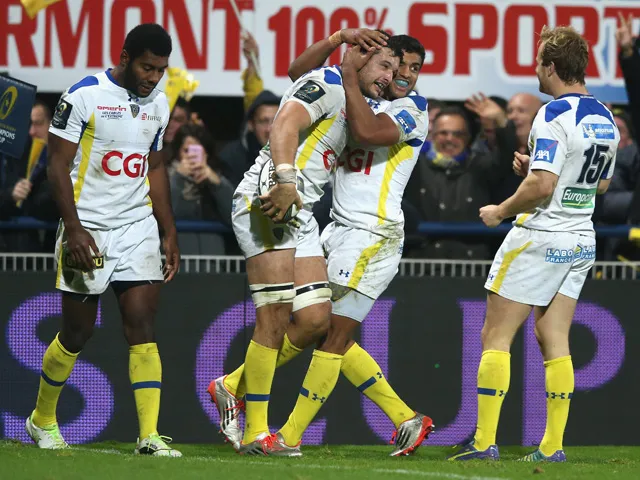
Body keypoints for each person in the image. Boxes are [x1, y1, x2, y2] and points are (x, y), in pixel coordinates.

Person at [212, 34, 401, 456]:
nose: (389, 78)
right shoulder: (330, 83)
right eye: (384, 66)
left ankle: (229, 387)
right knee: (274, 316)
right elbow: (284, 124)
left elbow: (296, 71)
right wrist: (284, 179)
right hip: (272, 197)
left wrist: (337, 41)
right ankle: (256, 433)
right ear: (359, 58)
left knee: (316, 320)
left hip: (302, 211)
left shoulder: (348, 92)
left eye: (394, 69)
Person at [449, 25, 619, 462]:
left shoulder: (552, 113)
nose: (536, 69)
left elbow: (542, 186)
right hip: (580, 238)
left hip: (541, 236)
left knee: (495, 334)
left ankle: (484, 441)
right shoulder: (604, 115)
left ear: (552, 66)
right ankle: (552, 447)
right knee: (553, 336)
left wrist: (501, 210)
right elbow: (599, 184)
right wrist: (539, 172)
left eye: (539, 61)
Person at [25, 23, 181, 457]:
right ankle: (42, 419)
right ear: (126, 57)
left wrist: (168, 230)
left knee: (142, 324)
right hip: (88, 227)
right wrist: (74, 229)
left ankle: (149, 436)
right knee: (77, 332)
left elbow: (155, 167)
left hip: (137, 226)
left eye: (161, 70)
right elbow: (57, 166)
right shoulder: (83, 95)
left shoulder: (159, 103)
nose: (154, 77)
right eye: (147, 67)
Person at [277, 36, 433, 457]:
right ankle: (405, 418)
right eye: (399, 66)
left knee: (329, 333)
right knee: (322, 328)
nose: (406, 75)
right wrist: (335, 44)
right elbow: (299, 75)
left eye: (415, 68)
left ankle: (284, 432)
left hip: (373, 234)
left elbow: (367, 132)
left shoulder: (413, 109)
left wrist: (348, 74)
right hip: (338, 231)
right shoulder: (361, 96)